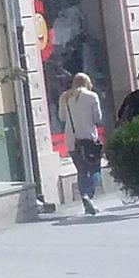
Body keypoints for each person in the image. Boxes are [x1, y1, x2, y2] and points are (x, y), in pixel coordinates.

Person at [59, 72, 106, 215]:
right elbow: (98, 118)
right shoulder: (92, 96)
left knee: (81, 170)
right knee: (95, 169)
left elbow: (61, 117)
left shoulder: (65, 97)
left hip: (72, 141)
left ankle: (86, 201)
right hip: (88, 139)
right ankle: (88, 196)